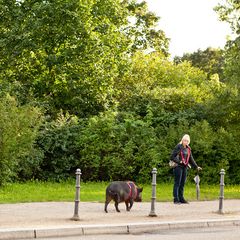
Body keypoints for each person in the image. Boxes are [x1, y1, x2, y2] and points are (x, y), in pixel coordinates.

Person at [170, 134, 202, 204]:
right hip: (178, 166)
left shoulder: (188, 148)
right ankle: (176, 199)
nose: (186, 142)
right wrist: (179, 161)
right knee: (177, 183)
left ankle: (181, 198)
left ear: (189, 142)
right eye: (185, 140)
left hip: (185, 167)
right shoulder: (178, 146)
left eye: (187, 141)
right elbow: (172, 157)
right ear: (182, 140)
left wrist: (196, 166)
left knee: (182, 183)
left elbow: (191, 159)